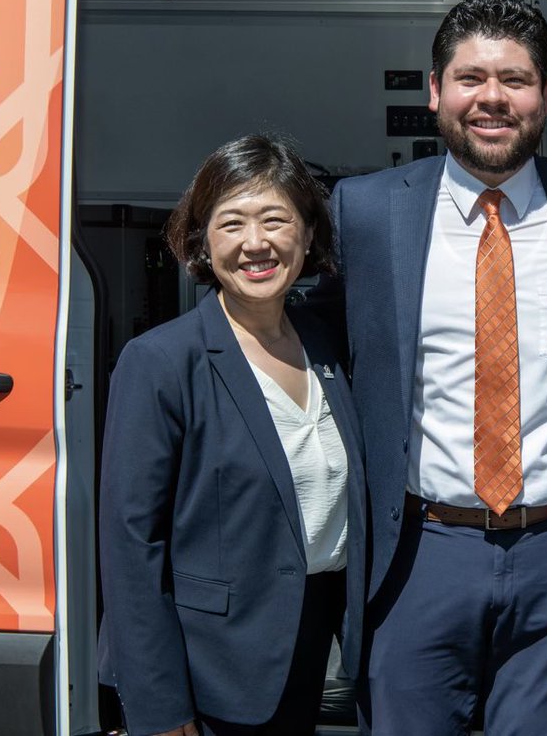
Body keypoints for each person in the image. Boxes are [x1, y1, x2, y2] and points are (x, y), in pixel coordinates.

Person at [316, 0, 547, 735]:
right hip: (418, 557)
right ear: (435, 90)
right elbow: (299, 338)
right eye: (471, 77)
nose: (492, 98)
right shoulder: (368, 214)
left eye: (515, 78)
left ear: (546, 95)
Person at [97, 135, 367, 736]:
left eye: (276, 220)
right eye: (231, 224)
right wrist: (162, 711)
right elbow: (129, 550)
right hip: (209, 671)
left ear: (307, 234)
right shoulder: (160, 362)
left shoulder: (329, 346)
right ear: (201, 241)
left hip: (305, 650)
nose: (256, 243)